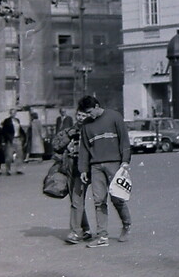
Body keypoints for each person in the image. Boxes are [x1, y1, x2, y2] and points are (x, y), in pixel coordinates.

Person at [77, 96, 132, 248]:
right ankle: (102, 236)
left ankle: (126, 225)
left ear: (96, 106)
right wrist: (83, 169)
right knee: (98, 201)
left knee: (117, 198)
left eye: (89, 112)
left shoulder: (114, 117)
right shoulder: (86, 126)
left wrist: (125, 161)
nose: (88, 116)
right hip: (95, 167)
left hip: (114, 164)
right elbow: (84, 149)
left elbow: (124, 140)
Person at [52, 111, 93, 244]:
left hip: (85, 169)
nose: (81, 118)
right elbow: (55, 145)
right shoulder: (70, 130)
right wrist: (68, 136)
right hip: (70, 167)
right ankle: (85, 229)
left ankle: (76, 232)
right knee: (76, 200)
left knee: (77, 200)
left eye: (84, 115)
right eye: (79, 115)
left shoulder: (92, 129)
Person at [0, 108, 26, 175]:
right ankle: (8, 169)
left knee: (20, 154)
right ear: (10, 113)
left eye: (14, 113)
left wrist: (23, 136)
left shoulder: (17, 120)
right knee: (9, 156)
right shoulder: (7, 121)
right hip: (10, 139)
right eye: (12, 113)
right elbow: (4, 131)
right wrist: (5, 139)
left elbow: (20, 129)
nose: (13, 114)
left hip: (18, 138)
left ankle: (19, 169)